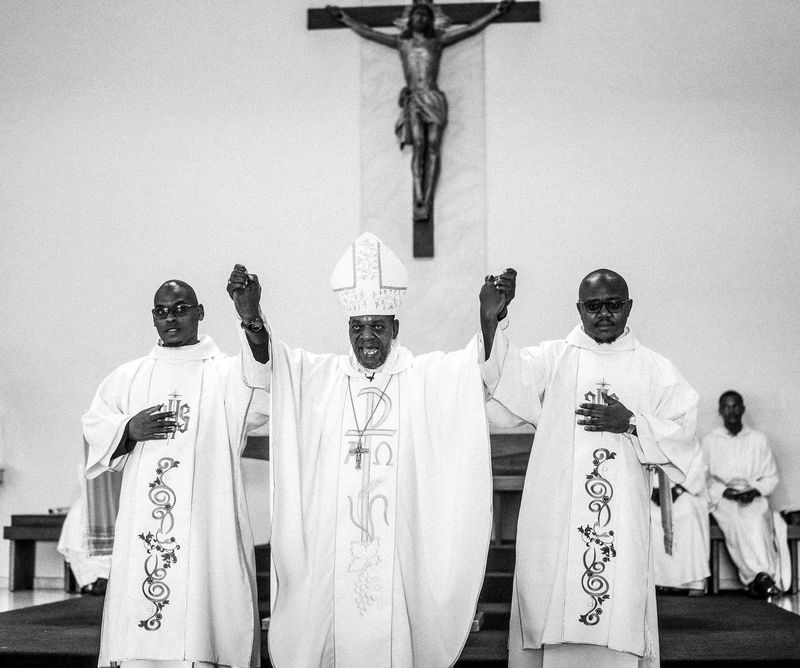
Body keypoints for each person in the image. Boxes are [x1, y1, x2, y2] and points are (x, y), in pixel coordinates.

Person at [251, 232, 511, 667]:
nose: (367, 337)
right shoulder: (322, 378)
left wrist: (489, 320)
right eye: (358, 327)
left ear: (395, 328)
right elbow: (274, 367)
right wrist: (252, 318)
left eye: (377, 326)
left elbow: (475, 373)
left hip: (399, 555)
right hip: (335, 558)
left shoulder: (424, 376)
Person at [479, 268, 699, 668]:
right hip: (557, 520)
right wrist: (492, 320)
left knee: (620, 608)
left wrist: (632, 422)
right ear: (580, 309)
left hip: (622, 524)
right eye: (594, 306)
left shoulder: (653, 368)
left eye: (613, 305)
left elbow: (685, 430)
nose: (604, 314)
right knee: (553, 601)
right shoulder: (554, 359)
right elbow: (505, 382)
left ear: (628, 307)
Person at [82, 269, 269, 668]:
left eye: (181, 309)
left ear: (199, 312)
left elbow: (263, 382)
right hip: (145, 526)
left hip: (206, 528)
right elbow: (94, 423)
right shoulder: (129, 376)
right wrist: (127, 430)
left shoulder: (225, 374)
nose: (170, 317)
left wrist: (250, 316)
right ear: (153, 317)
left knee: (201, 619)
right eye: (162, 311)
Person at [327, 0, 513, 222]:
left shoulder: (437, 42)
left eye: (425, 15)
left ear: (431, 20)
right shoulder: (402, 43)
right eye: (417, 14)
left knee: (433, 146)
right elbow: (370, 34)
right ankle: (419, 194)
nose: (421, 18)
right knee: (419, 144)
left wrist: (494, 13)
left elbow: (470, 29)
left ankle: (428, 196)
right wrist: (345, 19)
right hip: (414, 99)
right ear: (410, 19)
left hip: (433, 98)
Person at [702, 390, 790, 598]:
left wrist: (755, 491)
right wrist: (725, 491)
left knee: (757, 520)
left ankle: (762, 576)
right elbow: (704, 478)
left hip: (753, 496)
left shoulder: (758, 439)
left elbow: (771, 476)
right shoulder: (710, 441)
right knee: (735, 521)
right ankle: (757, 577)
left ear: (742, 409)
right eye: (726, 407)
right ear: (720, 411)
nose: (731, 411)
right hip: (724, 498)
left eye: (735, 406)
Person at [650, 448, 710, 594]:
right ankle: (657, 581)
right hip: (652, 493)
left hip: (683, 492)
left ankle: (691, 582)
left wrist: (676, 491)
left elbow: (697, 469)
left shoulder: (689, 440)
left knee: (687, 512)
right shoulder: (646, 437)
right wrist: (652, 490)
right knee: (647, 514)